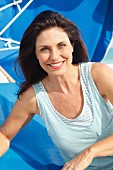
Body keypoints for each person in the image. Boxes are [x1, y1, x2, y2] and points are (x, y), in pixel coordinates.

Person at [0, 10, 113, 170]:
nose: (54, 56)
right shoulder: (34, 97)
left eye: (61, 45)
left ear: (72, 46)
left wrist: (90, 152)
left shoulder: (97, 75)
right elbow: (4, 135)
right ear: (36, 55)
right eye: (44, 49)